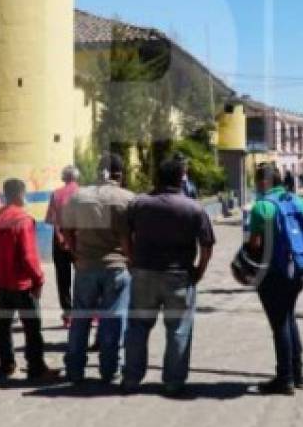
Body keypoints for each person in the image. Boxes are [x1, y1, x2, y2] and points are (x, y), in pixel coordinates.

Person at [122, 158, 216, 397]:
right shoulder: (194, 208)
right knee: (178, 329)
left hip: (143, 274)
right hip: (179, 276)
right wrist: (199, 271)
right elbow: (207, 246)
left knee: (137, 327)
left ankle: (131, 379)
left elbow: (124, 236)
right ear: (181, 178)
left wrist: (132, 261)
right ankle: (173, 382)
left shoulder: (139, 204)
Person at [62, 153, 135, 385]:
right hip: (116, 266)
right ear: (120, 175)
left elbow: (65, 230)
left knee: (80, 319)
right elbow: (128, 237)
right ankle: (109, 369)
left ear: (98, 172)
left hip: (85, 266)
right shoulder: (128, 199)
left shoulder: (78, 197)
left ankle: (74, 370)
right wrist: (130, 259)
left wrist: (75, 252)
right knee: (113, 320)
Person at [249, 163, 303, 395]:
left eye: (257, 181)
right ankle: (297, 373)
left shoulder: (262, 207)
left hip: (273, 273)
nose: (256, 185)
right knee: (289, 318)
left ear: (264, 182)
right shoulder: (297, 201)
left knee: (279, 324)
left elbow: (256, 244)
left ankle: (285, 378)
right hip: (297, 271)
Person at [0, 178, 59, 381]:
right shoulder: (23, 220)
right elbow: (28, 255)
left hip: (2, 282)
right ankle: (36, 367)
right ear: (20, 194)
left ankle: (6, 364)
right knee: (32, 326)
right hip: (22, 283)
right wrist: (39, 279)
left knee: (3, 325)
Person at [46, 165, 81, 327]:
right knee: (83, 277)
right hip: (80, 240)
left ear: (63, 177)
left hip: (60, 240)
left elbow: (50, 219)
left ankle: (68, 316)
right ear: (77, 177)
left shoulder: (55, 194)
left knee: (63, 279)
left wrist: (60, 236)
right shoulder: (84, 193)